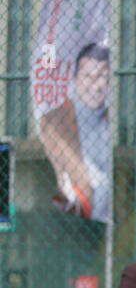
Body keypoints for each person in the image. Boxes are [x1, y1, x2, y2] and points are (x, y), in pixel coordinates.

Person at [38, 42, 111, 222]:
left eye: (101, 75)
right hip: (73, 220)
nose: (95, 83)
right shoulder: (53, 122)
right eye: (88, 75)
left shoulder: (111, 119)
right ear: (76, 79)